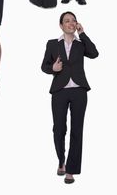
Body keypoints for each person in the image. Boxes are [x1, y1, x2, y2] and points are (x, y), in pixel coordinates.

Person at [41, 11, 98, 184]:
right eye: (67, 21)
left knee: (76, 130)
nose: (71, 23)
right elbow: (44, 66)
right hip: (59, 90)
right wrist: (54, 69)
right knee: (59, 129)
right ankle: (61, 161)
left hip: (79, 90)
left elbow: (94, 53)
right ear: (61, 25)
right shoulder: (52, 44)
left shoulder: (81, 45)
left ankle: (71, 171)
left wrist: (83, 33)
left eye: (73, 21)